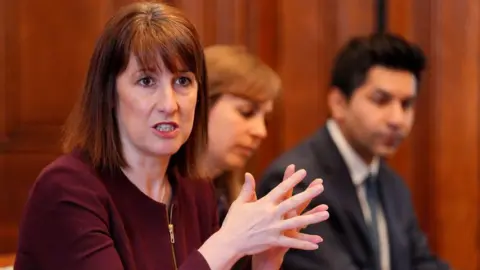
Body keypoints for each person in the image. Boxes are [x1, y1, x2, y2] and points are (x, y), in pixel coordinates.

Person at [13, 2, 330, 270]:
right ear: (109, 93)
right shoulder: (66, 190)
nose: (169, 104)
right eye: (146, 81)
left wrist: (265, 262)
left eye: (182, 81)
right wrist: (227, 243)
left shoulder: (196, 190)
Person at [257, 33, 451, 270]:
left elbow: (422, 263)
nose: (397, 119)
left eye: (406, 104)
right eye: (381, 100)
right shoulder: (296, 183)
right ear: (339, 103)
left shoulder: (392, 184)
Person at [201, 44, 281, 225]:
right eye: (246, 112)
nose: (261, 132)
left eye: (265, 120)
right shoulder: (162, 196)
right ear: (201, 105)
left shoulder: (231, 200)